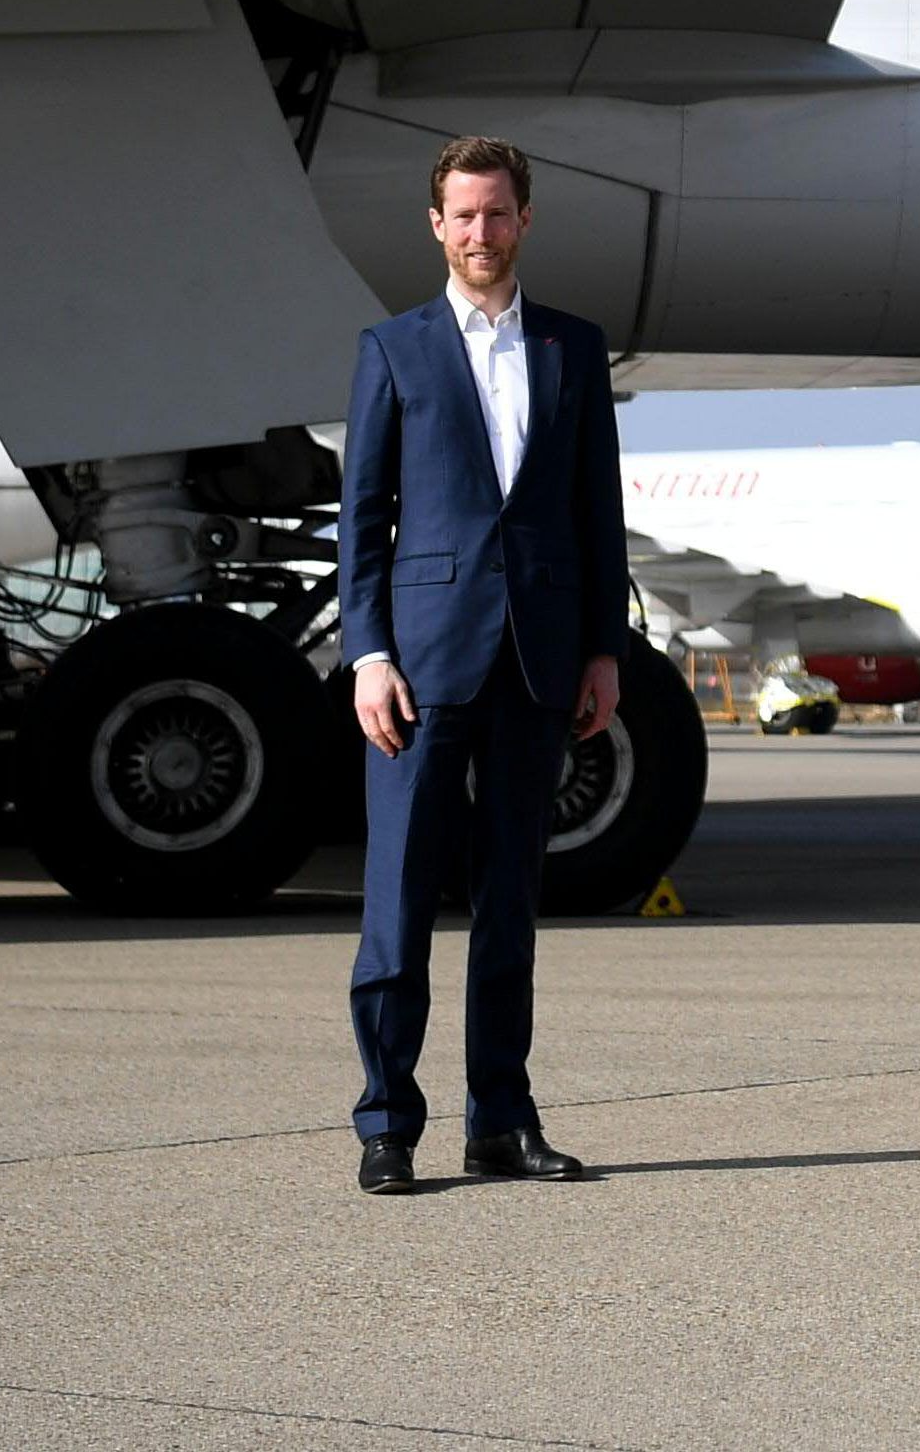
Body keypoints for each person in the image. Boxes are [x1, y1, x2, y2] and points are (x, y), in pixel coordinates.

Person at [339, 136, 628, 1197]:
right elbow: (362, 519)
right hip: (417, 667)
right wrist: (367, 652)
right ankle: (387, 1125)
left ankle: (500, 1122)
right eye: (462, 216)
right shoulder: (395, 349)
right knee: (398, 907)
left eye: (497, 214)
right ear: (436, 226)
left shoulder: (571, 347)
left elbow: (599, 509)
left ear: (524, 221)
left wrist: (603, 646)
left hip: (539, 658)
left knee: (509, 905)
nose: (480, 233)